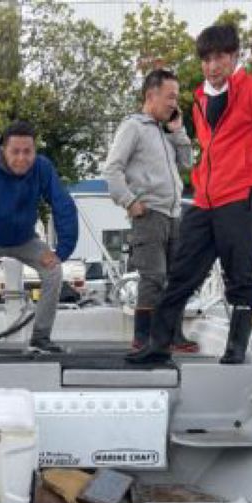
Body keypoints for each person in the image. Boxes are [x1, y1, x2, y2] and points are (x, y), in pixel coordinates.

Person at [126, 22, 252, 366]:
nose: (212, 67)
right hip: (204, 200)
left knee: (240, 275)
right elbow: (208, 147)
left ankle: (235, 349)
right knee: (181, 273)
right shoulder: (199, 98)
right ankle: (157, 345)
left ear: (234, 56)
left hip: (241, 198)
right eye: (206, 60)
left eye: (220, 58)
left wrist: (251, 178)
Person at [0, 121, 78, 357]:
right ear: (3, 151)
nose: (22, 158)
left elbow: (63, 205)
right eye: (15, 152)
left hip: (25, 239)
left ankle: (40, 339)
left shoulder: (43, 168)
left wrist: (61, 251)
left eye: (27, 151)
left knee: (54, 272)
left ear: (35, 151)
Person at [104, 68, 193, 350]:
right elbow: (112, 170)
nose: (174, 104)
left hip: (173, 214)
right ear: (151, 95)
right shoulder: (133, 127)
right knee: (153, 277)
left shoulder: (165, 133)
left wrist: (178, 132)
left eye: (175, 98)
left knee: (177, 278)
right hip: (149, 214)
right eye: (170, 97)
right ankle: (143, 338)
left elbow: (188, 163)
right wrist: (129, 201)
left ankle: (173, 336)